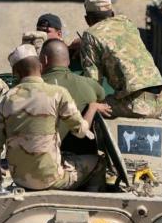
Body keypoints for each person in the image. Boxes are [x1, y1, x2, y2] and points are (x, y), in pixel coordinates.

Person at [0, 43, 98, 191]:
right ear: (40, 66)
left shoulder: (5, 99)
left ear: (15, 72)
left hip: (20, 180)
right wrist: (93, 107)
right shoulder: (58, 93)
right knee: (98, 162)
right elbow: (80, 132)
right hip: (51, 180)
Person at [79, 0, 162, 118]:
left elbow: (93, 83)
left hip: (136, 105)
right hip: (161, 100)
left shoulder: (90, 35)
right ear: (112, 14)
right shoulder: (127, 23)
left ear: (87, 19)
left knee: (89, 110)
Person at [41, 39, 112, 190]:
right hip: (68, 166)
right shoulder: (88, 84)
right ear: (67, 61)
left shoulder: (29, 88)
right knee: (100, 162)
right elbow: (102, 94)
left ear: (44, 60)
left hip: (33, 166)